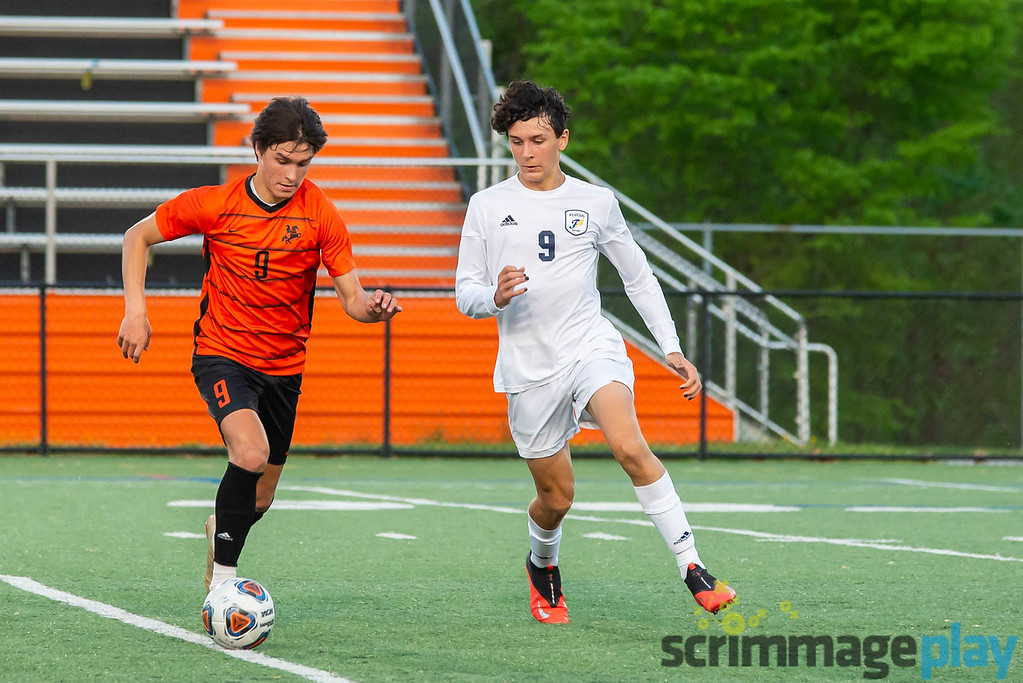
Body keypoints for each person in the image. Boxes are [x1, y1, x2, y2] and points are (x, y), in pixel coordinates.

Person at [454, 80, 735, 624]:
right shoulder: (486, 206)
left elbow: (638, 277)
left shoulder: (596, 202)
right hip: (528, 370)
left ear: (562, 139)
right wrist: (494, 296)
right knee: (557, 499)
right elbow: (465, 293)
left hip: (590, 346)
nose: (527, 153)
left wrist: (671, 348)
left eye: (538, 140)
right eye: (517, 142)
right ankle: (542, 564)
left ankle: (693, 566)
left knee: (629, 446)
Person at [117, 96, 401, 594]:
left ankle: (218, 532)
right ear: (258, 149)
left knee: (261, 498)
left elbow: (353, 300)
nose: (292, 174)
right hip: (222, 353)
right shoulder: (215, 204)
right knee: (249, 452)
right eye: (282, 160)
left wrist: (374, 309)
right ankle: (224, 587)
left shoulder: (321, 215)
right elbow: (136, 237)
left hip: (285, 366)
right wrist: (136, 311)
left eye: (303, 163)